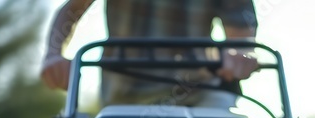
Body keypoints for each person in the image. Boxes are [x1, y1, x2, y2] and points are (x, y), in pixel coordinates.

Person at [40, 0, 260, 107]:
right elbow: (73, 8)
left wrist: (240, 55)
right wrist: (53, 54)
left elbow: (240, 39)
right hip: (124, 100)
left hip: (201, 94)